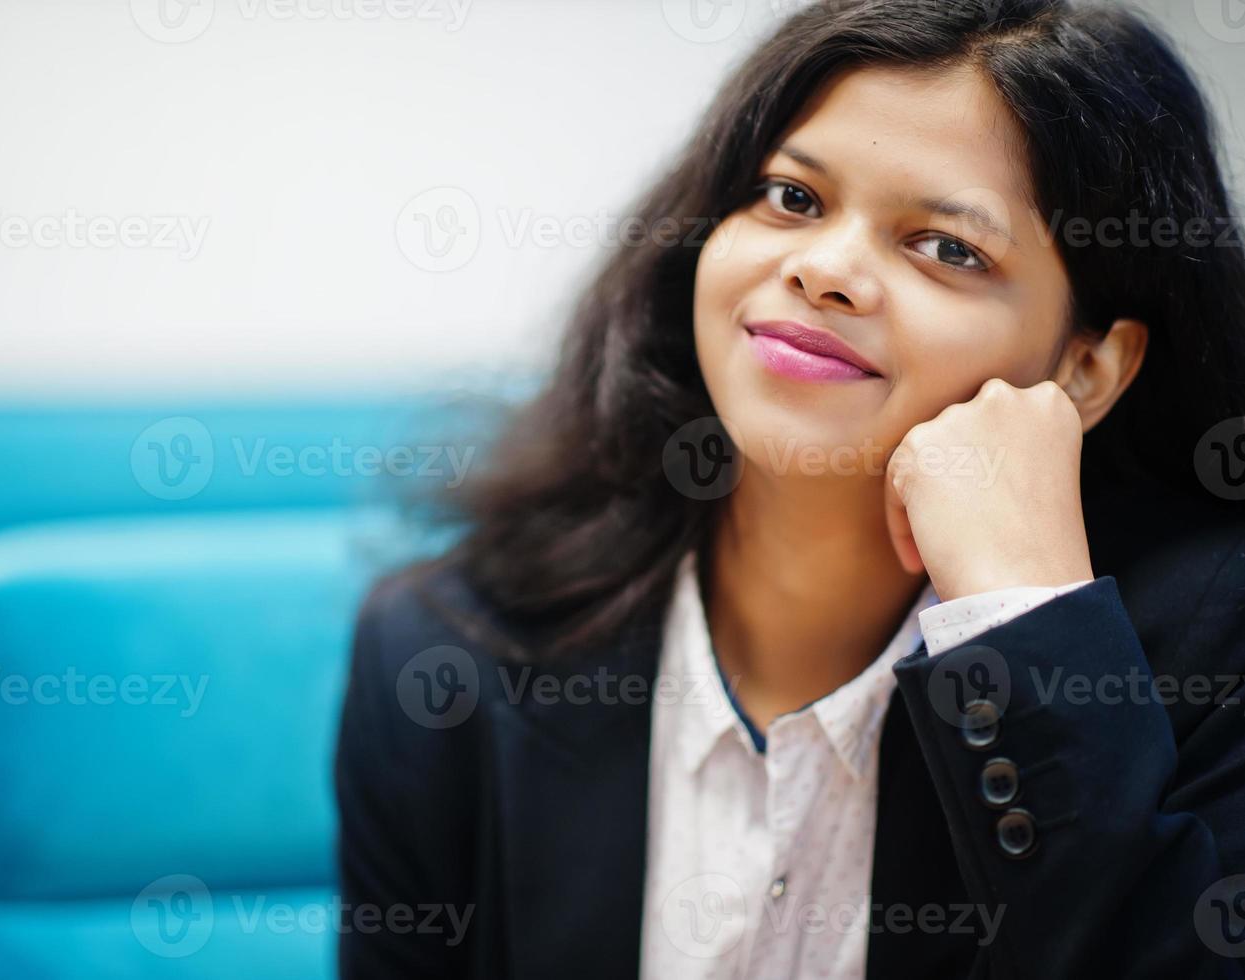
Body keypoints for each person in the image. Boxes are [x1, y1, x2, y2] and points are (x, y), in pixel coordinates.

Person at [334, 0, 1245, 976]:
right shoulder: (443, 651)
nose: (824, 270)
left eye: (947, 247)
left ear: (1088, 369)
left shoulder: (1205, 649)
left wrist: (1018, 615)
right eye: (792, 198)